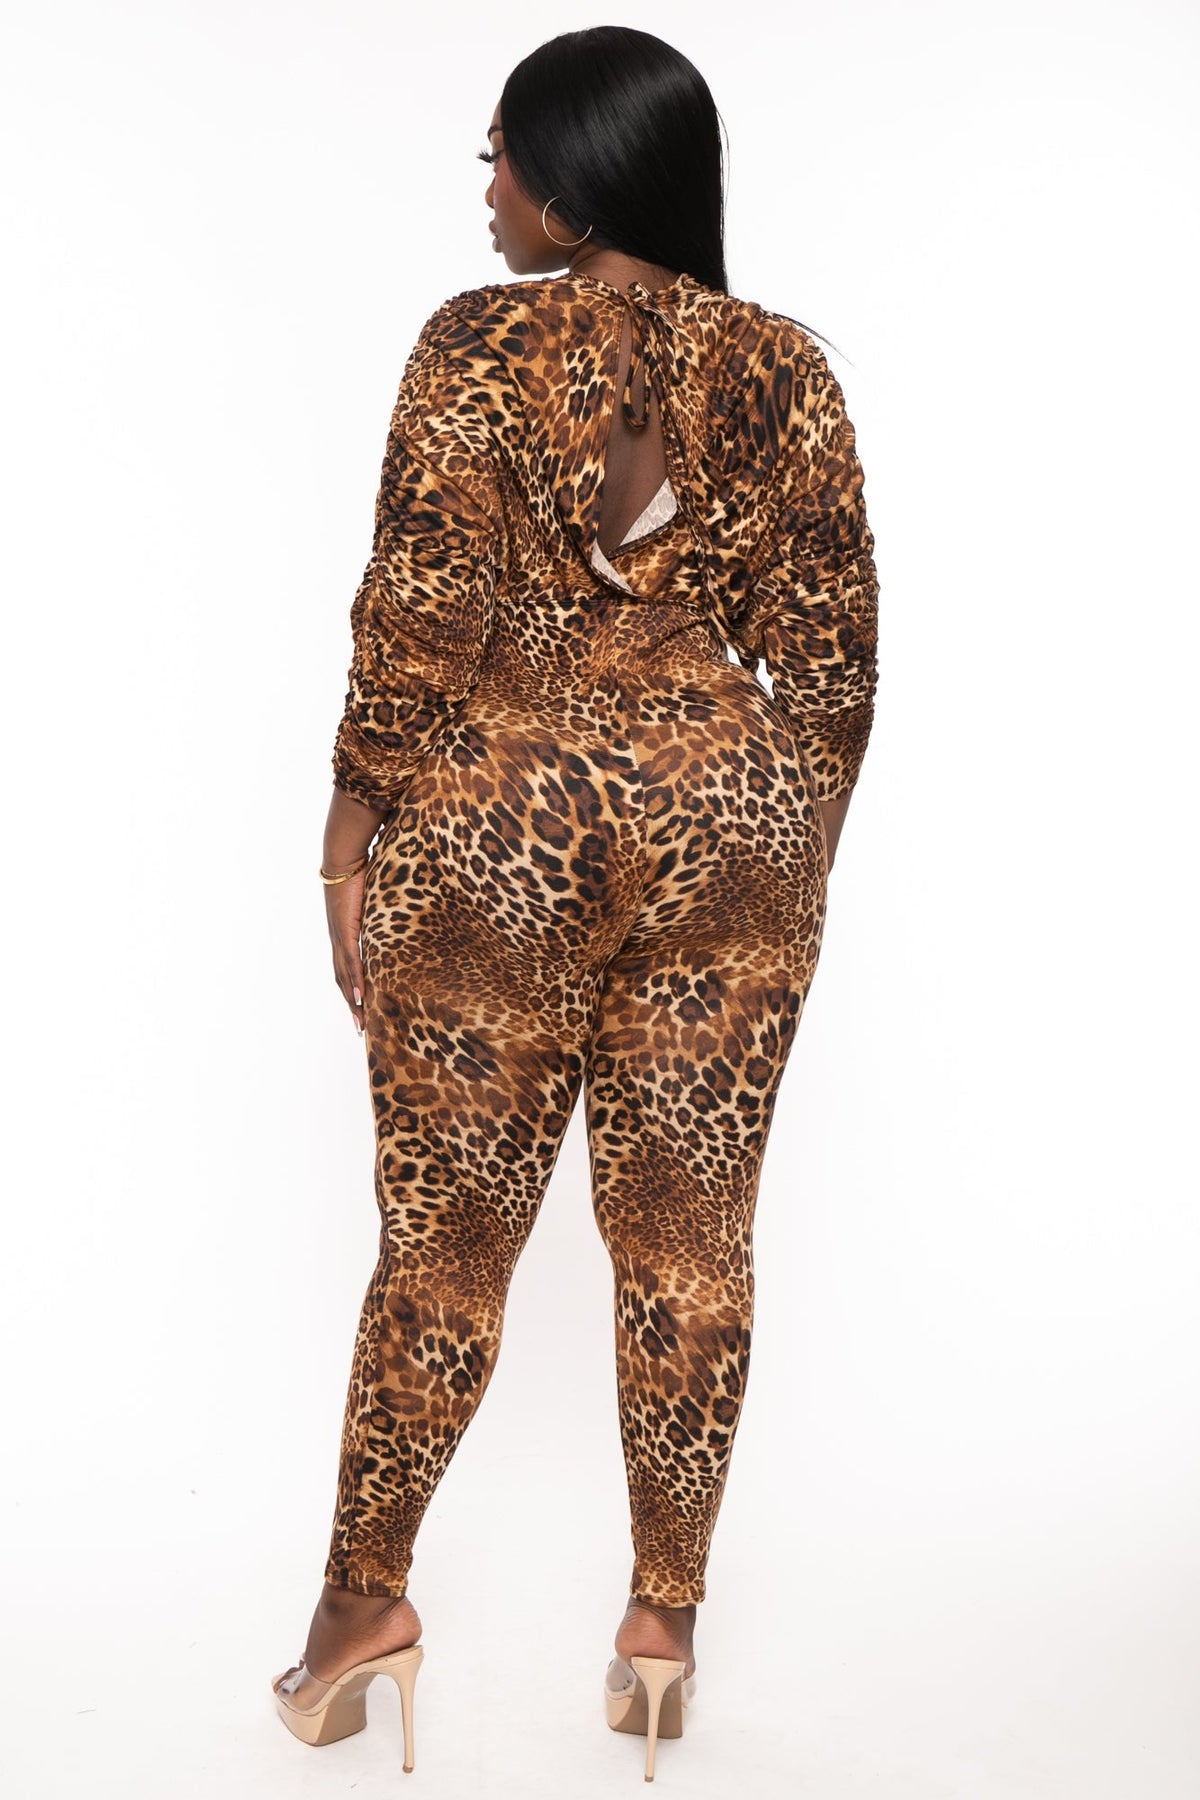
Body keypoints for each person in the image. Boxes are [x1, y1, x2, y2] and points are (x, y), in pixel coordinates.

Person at [271, 23, 879, 1781]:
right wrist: (781, 847)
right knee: (692, 1247)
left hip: (499, 815)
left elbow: (422, 609)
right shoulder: (784, 367)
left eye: (504, 156)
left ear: (579, 183)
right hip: (731, 814)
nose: (489, 189)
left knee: (443, 1255)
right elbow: (834, 663)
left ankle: (361, 1612)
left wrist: (348, 832)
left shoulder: (480, 343)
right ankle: (661, 1627)